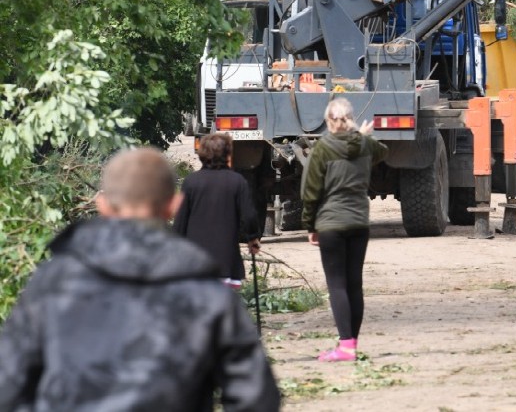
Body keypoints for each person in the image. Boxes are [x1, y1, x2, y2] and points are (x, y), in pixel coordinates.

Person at [0, 147, 280, 411]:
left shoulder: (53, 282)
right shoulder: (205, 291)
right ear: (173, 205)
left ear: (103, 205)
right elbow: (256, 397)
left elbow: (8, 385)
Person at [302, 97, 390, 362]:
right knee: (355, 284)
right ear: (351, 118)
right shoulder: (365, 144)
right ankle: (352, 344)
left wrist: (309, 224)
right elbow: (382, 151)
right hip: (359, 223)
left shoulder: (323, 148)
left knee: (337, 284)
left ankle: (345, 346)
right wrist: (360, 136)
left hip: (330, 223)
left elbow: (310, 191)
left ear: (329, 121)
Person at [173, 131, 262, 288]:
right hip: (226, 262)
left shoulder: (191, 182)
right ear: (228, 154)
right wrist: (252, 238)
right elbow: (249, 216)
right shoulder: (237, 181)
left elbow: (181, 221)